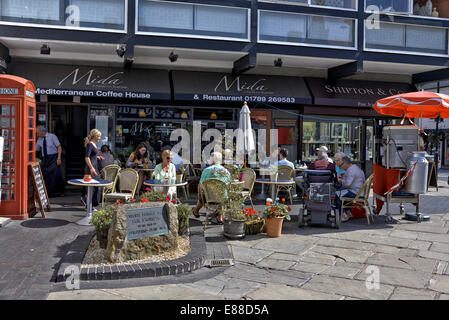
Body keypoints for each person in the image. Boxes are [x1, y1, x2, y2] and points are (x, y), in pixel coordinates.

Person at [193, 152, 230, 223]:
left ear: (212, 160)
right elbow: (229, 186)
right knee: (222, 193)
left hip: (208, 198)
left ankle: (196, 211)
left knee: (202, 195)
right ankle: (220, 217)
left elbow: (200, 185)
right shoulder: (226, 171)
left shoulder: (206, 170)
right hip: (222, 198)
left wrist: (199, 194)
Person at [35, 126, 65, 197]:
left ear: (42, 132)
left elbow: (59, 147)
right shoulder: (39, 139)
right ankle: (48, 192)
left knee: (56, 175)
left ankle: (61, 191)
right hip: (45, 159)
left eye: (38, 133)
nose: (37, 135)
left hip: (54, 157)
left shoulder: (52, 136)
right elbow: (36, 150)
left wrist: (59, 158)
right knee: (45, 175)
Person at [337, 156, 366, 222]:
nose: (340, 167)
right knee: (342, 193)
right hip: (359, 191)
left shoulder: (351, 170)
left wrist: (340, 180)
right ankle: (348, 212)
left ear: (345, 163)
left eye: (340, 165)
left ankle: (343, 214)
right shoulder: (355, 168)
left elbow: (347, 184)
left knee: (337, 195)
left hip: (356, 193)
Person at [81, 129, 102, 208]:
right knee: (93, 186)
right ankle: (89, 204)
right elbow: (87, 157)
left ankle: (89, 203)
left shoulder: (93, 144)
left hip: (94, 166)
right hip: (91, 167)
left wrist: (98, 157)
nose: (100, 138)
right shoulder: (90, 144)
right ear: (95, 136)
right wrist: (91, 168)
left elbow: (92, 156)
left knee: (95, 186)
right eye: (99, 136)